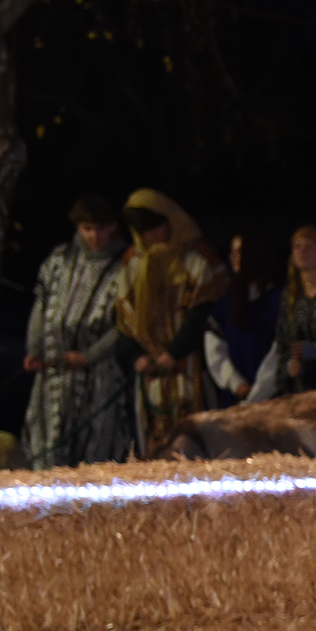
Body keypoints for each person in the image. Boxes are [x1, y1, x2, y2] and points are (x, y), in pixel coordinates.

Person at [111, 188, 229, 451]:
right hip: (151, 373)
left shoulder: (195, 259)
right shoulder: (133, 265)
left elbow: (202, 311)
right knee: (154, 440)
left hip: (189, 366)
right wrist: (135, 356)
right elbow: (124, 319)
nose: (152, 236)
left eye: (157, 227)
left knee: (196, 436)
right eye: (145, 231)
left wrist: (175, 351)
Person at [20, 194, 131, 468]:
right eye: (87, 228)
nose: (94, 236)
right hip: (54, 371)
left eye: (101, 228)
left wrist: (89, 356)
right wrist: (34, 349)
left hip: (98, 374)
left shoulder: (126, 264)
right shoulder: (60, 259)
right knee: (48, 442)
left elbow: (125, 324)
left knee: (93, 446)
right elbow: (42, 304)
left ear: (113, 226)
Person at [249, 225, 316, 400]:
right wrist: (289, 366)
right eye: (297, 246)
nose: (302, 252)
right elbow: (283, 343)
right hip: (300, 392)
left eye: (309, 246)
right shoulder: (291, 296)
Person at [204, 229, 282, 404]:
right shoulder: (227, 301)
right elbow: (215, 346)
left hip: (272, 399)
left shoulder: (278, 299)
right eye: (231, 252)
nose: (233, 257)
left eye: (239, 252)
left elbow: (280, 352)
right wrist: (236, 383)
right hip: (236, 398)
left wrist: (258, 393)